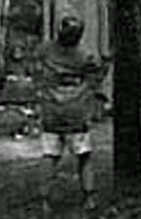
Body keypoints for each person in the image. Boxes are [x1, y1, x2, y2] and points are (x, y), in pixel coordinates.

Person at [37, 16, 103, 217]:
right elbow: (98, 72)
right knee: (84, 156)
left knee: (50, 156)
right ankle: (89, 197)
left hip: (51, 111)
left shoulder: (46, 50)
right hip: (76, 111)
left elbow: (36, 67)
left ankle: (45, 201)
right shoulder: (84, 56)